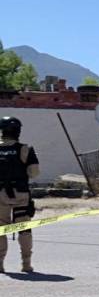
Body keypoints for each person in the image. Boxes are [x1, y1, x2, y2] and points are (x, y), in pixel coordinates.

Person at [0, 116, 39, 274]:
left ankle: (0, 264)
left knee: (1, 229)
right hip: (20, 194)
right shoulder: (25, 149)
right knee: (24, 229)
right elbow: (34, 172)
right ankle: (26, 264)